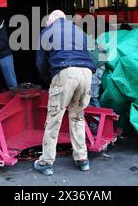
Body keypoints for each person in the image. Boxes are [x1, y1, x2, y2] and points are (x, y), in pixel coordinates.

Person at [34, 10, 96, 176]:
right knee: (77, 116)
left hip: (65, 72)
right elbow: (93, 53)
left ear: (51, 21)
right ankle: (82, 159)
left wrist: (50, 80)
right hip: (86, 73)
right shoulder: (79, 31)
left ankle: (46, 162)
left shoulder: (47, 32)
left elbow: (40, 62)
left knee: (54, 118)